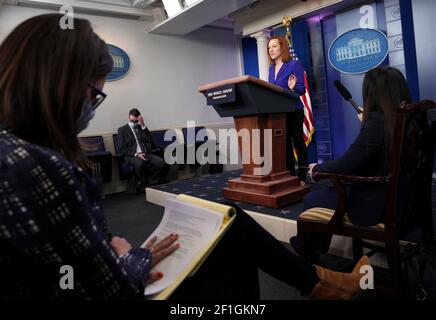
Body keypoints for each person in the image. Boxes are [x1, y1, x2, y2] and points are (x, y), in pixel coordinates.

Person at [0, 14, 369, 300]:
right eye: (94, 95)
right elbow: (106, 289)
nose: (93, 109)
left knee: (226, 222)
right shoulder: (36, 168)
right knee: (232, 236)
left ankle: (323, 284)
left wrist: (108, 247)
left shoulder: (13, 148)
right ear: (57, 84)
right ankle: (322, 284)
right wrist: (131, 258)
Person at [290, 67, 413, 259]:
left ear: (372, 93)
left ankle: (308, 257)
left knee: (311, 199)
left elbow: (348, 164)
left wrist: (317, 169)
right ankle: (312, 248)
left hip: (378, 202)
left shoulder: (376, 123)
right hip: (407, 198)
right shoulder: (408, 117)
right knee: (328, 191)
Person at [267, 36, 308, 182]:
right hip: (279, 112)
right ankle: (290, 175)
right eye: (269, 47)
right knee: (284, 144)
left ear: (282, 47)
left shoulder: (293, 65)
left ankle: (302, 175)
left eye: (274, 46)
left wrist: (293, 87)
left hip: (294, 110)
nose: (271, 50)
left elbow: (302, 89)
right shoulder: (271, 69)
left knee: (297, 141)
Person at [117, 108, 169, 190]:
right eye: (132, 121)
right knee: (140, 164)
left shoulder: (140, 127)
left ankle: (144, 179)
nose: (134, 123)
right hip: (132, 155)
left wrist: (143, 125)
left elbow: (150, 140)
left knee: (161, 163)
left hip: (146, 153)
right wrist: (137, 154)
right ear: (129, 118)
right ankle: (147, 185)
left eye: (136, 121)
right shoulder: (122, 130)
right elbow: (122, 149)